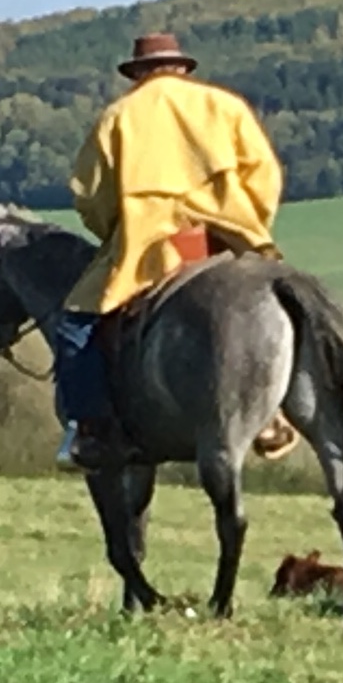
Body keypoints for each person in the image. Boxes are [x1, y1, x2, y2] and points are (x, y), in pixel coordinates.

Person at [53, 32, 296, 472]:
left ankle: (92, 430)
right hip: (228, 243)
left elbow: (91, 197)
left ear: (139, 72)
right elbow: (265, 177)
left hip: (148, 249)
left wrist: (115, 230)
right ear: (182, 67)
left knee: (75, 324)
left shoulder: (119, 117)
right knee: (291, 311)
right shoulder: (226, 107)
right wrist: (248, 224)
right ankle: (277, 412)